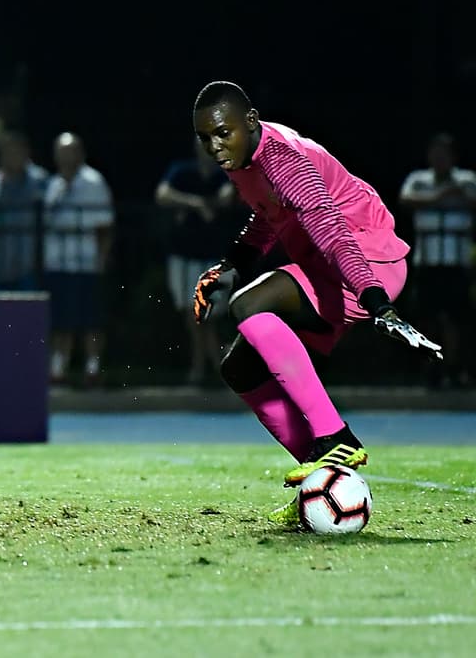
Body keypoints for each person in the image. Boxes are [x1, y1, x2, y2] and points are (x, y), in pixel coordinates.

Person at [189, 80, 443, 529]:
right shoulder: (244, 157)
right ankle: (321, 473)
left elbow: (333, 233)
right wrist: (231, 264)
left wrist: (377, 302)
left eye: (222, 133)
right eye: (205, 137)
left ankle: (335, 438)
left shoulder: (283, 159)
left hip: (365, 260)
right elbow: (269, 216)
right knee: (238, 368)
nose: (214, 146)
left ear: (251, 122)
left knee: (249, 307)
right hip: (335, 266)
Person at [155, 138, 240, 385]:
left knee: (209, 315)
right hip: (183, 254)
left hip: (213, 258)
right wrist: (197, 204)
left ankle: (206, 366)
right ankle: (210, 366)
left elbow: (227, 197)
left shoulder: (225, 172)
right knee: (192, 313)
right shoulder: (181, 170)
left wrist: (196, 205)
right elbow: (162, 194)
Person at [398, 133, 476, 389]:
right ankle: (432, 368)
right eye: (436, 153)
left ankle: (455, 368)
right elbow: (406, 200)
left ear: (453, 157)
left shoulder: (466, 180)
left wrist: (454, 194)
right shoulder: (419, 180)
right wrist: (442, 196)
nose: (440, 159)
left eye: (445, 154)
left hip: (456, 260)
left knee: (457, 318)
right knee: (427, 317)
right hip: (427, 261)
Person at [42, 132, 113, 388]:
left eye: (70, 151)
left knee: (90, 319)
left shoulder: (94, 182)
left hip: (86, 263)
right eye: (60, 152)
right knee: (62, 319)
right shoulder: (53, 185)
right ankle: (58, 367)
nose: (65, 157)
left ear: (80, 153)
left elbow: (105, 226)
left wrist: (102, 259)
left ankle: (92, 368)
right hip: (58, 263)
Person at [0, 130, 48, 291]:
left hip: (27, 268)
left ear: (27, 153)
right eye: (9, 152)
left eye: (18, 151)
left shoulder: (40, 181)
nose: (14, 156)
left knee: (26, 315)